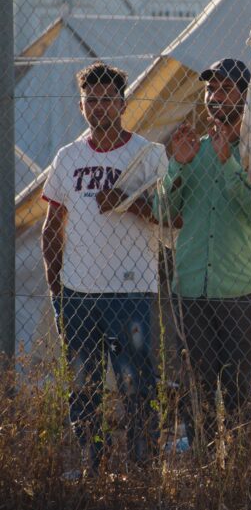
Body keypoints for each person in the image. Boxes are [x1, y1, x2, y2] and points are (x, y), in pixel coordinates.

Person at [41, 63, 167, 476]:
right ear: (81, 106)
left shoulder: (144, 154)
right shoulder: (69, 157)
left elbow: (169, 221)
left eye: (108, 99)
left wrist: (129, 202)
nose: (100, 107)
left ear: (123, 103)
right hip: (77, 291)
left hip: (129, 291)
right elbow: (51, 226)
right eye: (91, 100)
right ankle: (95, 461)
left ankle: (141, 466)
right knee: (82, 386)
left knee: (136, 383)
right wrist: (57, 289)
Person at [156, 57, 251, 448]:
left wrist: (228, 164)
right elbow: (162, 213)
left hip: (238, 291)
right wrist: (177, 165)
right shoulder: (193, 148)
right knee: (196, 390)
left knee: (238, 390)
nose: (214, 96)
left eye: (224, 89)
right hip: (190, 289)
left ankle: (240, 473)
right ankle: (205, 471)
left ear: (244, 97)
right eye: (210, 89)